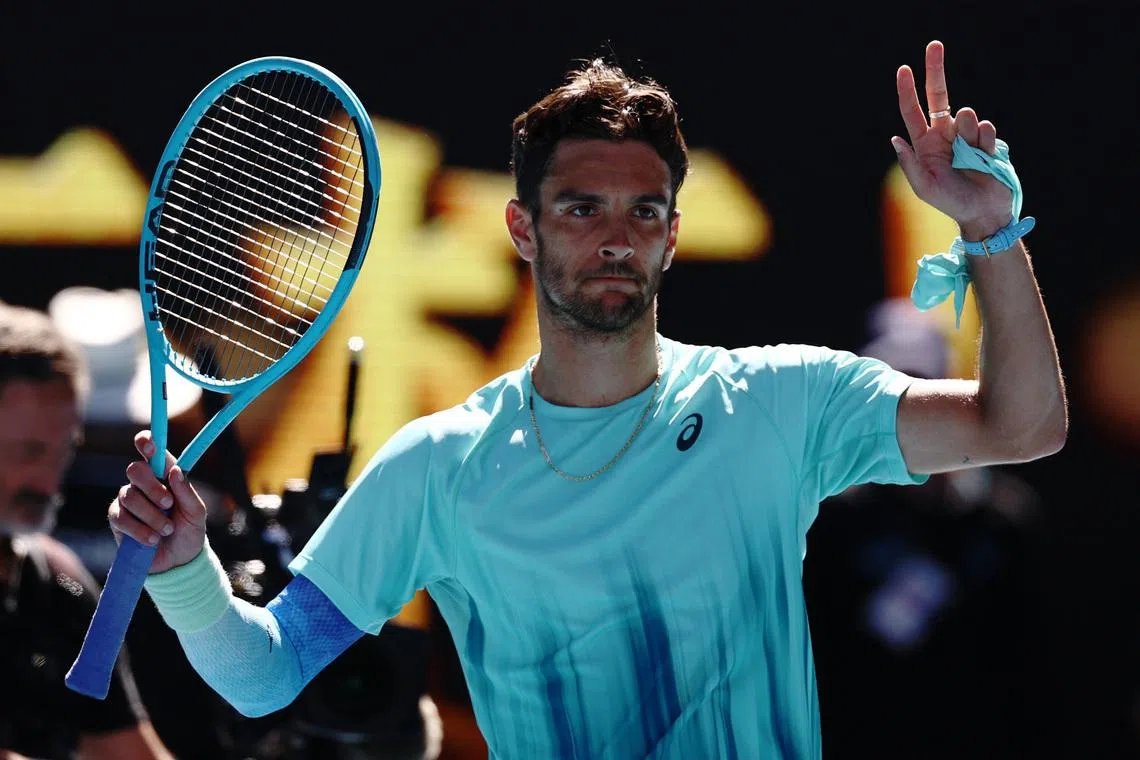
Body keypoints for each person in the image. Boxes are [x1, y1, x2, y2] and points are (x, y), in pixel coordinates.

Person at [109, 40, 1067, 759]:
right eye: (581, 208)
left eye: (643, 211)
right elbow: (265, 674)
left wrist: (990, 232)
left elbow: (1023, 425)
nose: (616, 237)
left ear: (672, 236)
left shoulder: (785, 401)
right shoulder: (439, 466)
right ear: (522, 229)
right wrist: (185, 569)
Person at [802, 298, 1042, 759]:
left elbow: (1032, 671)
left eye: (920, 390)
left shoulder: (1003, 521)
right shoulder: (830, 524)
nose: (908, 411)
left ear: (953, 396)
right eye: (889, 393)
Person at [0, 302, 174, 760]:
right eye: (29, 451)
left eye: (63, 451)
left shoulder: (54, 581)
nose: (48, 482)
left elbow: (130, 753)